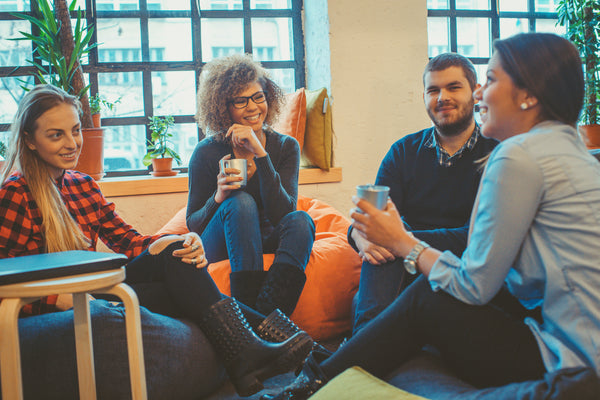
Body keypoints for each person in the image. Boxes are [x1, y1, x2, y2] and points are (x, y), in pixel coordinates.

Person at [265, 32, 600, 399]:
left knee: (425, 293)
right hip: (560, 339)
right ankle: (332, 369)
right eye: (433, 90)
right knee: (393, 263)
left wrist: (404, 242)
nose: (479, 94)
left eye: (489, 80)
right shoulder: (573, 152)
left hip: (571, 365)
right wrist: (372, 235)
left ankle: (315, 380)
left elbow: (474, 283)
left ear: (529, 95)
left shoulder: (515, 156)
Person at [0, 84, 313, 398]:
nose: (72, 144)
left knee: (176, 256)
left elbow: (129, 241)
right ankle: (283, 349)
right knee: (179, 274)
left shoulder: (84, 185)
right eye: (57, 135)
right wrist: (61, 299)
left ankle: (251, 355)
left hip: (92, 290)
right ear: (29, 139)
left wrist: (184, 240)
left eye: (76, 131)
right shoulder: (15, 191)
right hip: (63, 300)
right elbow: (8, 279)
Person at [351, 53, 498, 334]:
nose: (442, 97)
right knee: (383, 239)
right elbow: (375, 218)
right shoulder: (403, 152)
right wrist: (359, 234)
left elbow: (477, 236)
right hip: (403, 268)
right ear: (424, 97)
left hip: (464, 268)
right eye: (433, 90)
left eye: (453, 87)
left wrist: (398, 239)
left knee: (390, 241)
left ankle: (355, 355)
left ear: (475, 92)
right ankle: (361, 351)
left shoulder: (497, 153)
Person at [188, 54, 316, 317]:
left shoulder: (285, 147)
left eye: (258, 97)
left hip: (267, 236)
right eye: (240, 101)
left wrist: (261, 153)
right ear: (223, 107)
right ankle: (250, 316)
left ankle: (268, 319)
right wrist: (219, 195)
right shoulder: (207, 152)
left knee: (302, 220)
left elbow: (284, 213)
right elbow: (194, 224)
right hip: (222, 240)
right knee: (240, 202)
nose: (252, 107)